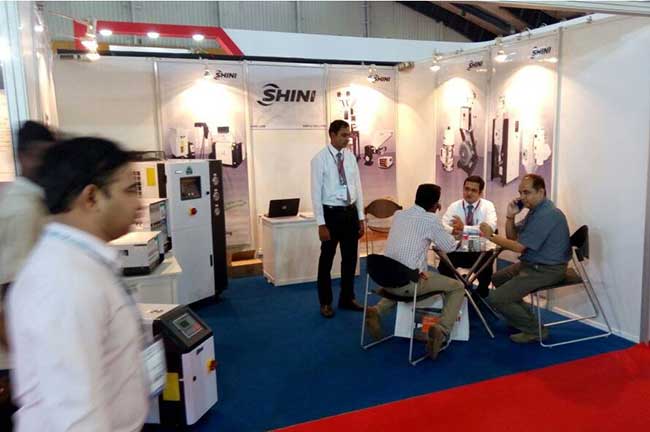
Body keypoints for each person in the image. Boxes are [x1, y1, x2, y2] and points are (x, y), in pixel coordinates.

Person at [6, 137, 150, 431]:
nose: (139, 203)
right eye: (130, 190)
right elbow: (73, 415)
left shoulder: (80, 263)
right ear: (91, 198)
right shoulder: (62, 281)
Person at [365, 184, 465, 359]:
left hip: (384, 278)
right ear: (435, 204)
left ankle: (377, 310)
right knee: (457, 287)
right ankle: (441, 330)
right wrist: (458, 235)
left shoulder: (399, 215)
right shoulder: (431, 219)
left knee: (405, 277)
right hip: (408, 284)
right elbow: (449, 246)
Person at [0, 121, 55, 431]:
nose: (45, 163)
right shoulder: (22, 209)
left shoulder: (35, 202)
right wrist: (24, 360)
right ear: (22, 156)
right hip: (15, 357)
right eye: (39, 155)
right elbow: (8, 292)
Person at [479, 174, 571, 343]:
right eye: (520, 192)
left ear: (541, 192)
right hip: (532, 264)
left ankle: (535, 331)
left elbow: (518, 247)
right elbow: (512, 236)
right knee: (498, 278)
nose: (522, 197)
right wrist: (510, 217)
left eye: (526, 192)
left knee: (496, 298)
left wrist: (491, 236)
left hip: (547, 269)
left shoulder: (547, 215)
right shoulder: (535, 212)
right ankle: (524, 318)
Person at [311, 120, 366, 318]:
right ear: (332, 135)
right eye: (343, 135)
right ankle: (325, 302)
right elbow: (315, 193)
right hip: (331, 214)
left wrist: (361, 217)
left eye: (348, 135)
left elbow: (358, 187)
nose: (347, 139)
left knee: (350, 260)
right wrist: (321, 223)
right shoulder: (319, 159)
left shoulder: (350, 157)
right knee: (326, 259)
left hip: (350, 213)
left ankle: (347, 298)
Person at [438, 175, 497, 298]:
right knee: (443, 265)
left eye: (473, 190)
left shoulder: (488, 206)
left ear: (480, 193)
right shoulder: (454, 206)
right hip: (459, 249)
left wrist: (464, 229)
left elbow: (490, 228)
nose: (469, 193)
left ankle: (480, 295)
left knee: (486, 265)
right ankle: (456, 289)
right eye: (466, 189)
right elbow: (442, 225)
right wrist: (453, 230)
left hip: (479, 249)